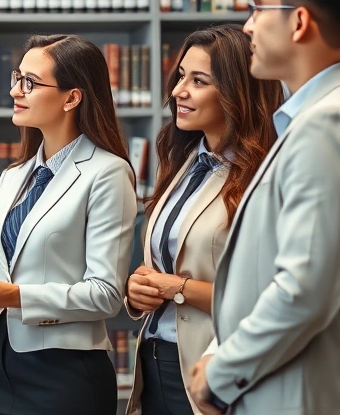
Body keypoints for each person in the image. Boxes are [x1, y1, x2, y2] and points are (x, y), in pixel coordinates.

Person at [187, 0, 340, 415]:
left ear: (300, 22)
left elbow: (306, 288)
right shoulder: (322, 116)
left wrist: (221, 375)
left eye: (259, 8)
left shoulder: (332, 123)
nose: (247, 25)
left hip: (298, 391)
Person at [0, 34, 137, 415]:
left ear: (71, 97)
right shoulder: (14, 176)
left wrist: (12, 296)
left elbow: (105, 293)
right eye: (17, 77)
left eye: (29, 82)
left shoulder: (108, 173)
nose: (15, 90)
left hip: (62, 372)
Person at [123, 24, 283, 415]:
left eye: (199, 80)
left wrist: (177, 287)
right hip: (156, 361)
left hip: (218, 369)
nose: (179, 91)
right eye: (181, 76)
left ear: (236, 92)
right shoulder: (186, 161)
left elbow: (270, 299)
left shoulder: (267, 176)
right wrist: (137, 289)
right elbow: (163, 263)